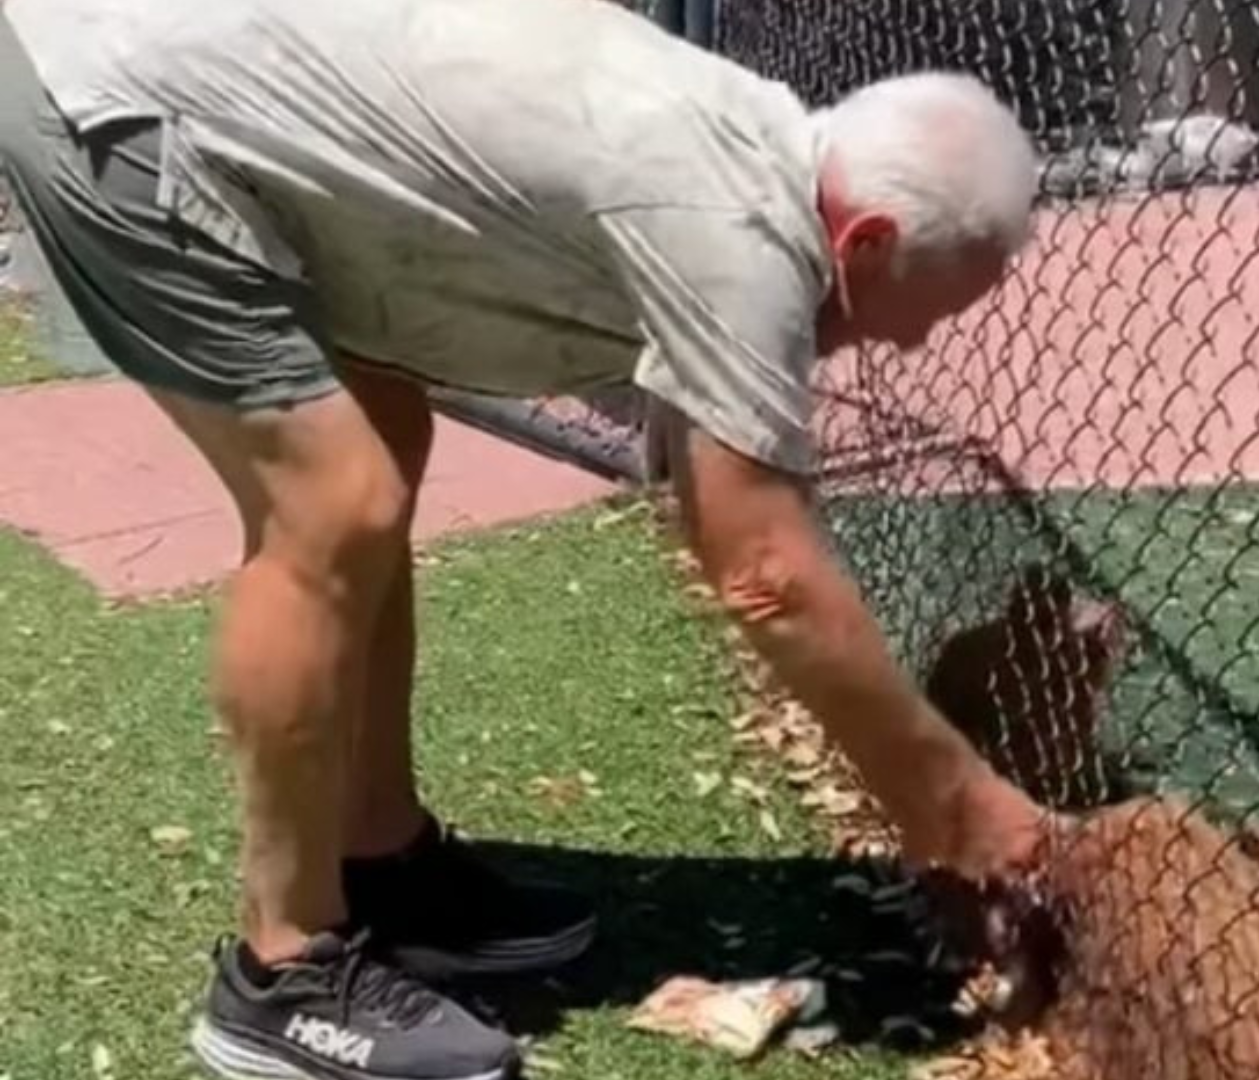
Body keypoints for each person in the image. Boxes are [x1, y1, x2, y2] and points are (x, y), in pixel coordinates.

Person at [0, 0, 1052, 1077]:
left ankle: (380, 862)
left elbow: (718, 493)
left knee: (382, 431)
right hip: (111, 101)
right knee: (332, 500)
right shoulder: (736, 225)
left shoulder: (743, 148)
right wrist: (955, 803)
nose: (910, 339)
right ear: (864, 237)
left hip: (174, 81)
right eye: (916, 309)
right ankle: (281, 974)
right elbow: (765, 572)